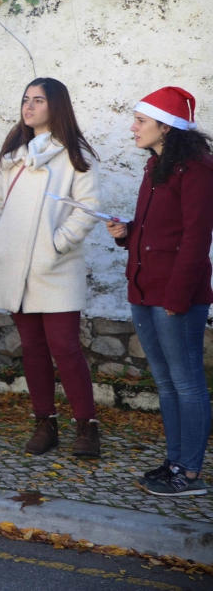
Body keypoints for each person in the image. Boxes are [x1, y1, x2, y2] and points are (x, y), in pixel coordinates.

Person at [0, 78, 102, 459]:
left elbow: (87, 209)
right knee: (32, 348)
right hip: (14, 265)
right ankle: (45, 423)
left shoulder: (75, 155)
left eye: (38, 100)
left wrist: (56, 245)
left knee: (65, 347)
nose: (29, 107)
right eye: (25, 99)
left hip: (55, 266)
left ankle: (87, 426)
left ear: (56, 106)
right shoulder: (12, 155)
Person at [107, 87, 213, 497]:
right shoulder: (156, 165)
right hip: (144, 290)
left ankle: (190, 473)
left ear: (166, 126)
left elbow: (196, 237)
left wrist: (177, 297)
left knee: (188, 384)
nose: (133, 127)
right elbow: (159, 231)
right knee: (166, 383)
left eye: (141, 120)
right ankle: (174, 462)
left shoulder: (198, 169)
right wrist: (126, 233)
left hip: (174, 296)